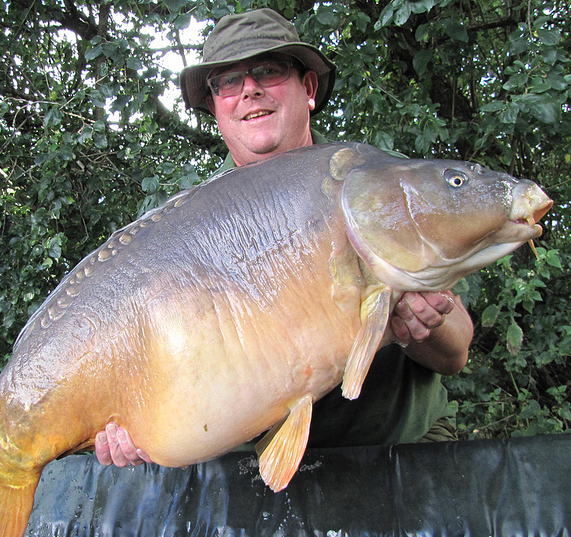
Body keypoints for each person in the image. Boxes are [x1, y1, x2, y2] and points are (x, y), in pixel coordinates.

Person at [95, 8, 474, 468]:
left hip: (398, 455)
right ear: (215, 109)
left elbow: (456, 351)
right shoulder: (180, 232)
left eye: (267, 71)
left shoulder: (375, 184)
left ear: (308, 89)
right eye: (227, 82)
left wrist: (418, 325)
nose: (249, 89)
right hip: (244, 476)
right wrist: (138, 430)